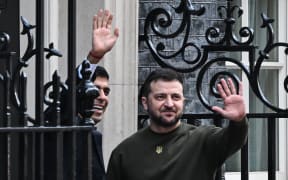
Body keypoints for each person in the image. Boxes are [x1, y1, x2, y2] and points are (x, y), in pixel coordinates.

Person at [106, 68, 248, 180]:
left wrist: (239, 121)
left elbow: (234, 139)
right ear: (145, 102)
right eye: (160, 97)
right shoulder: (124, 153)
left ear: (183, 102)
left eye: (175, 97)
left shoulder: (203, 140)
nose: (169, 104)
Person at [44, 9, 119, 180]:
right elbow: (68, 95)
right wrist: (93, 58)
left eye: (106, 91)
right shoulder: (62, 120)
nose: (102, 97)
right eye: (95, 89)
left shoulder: (93, 133)